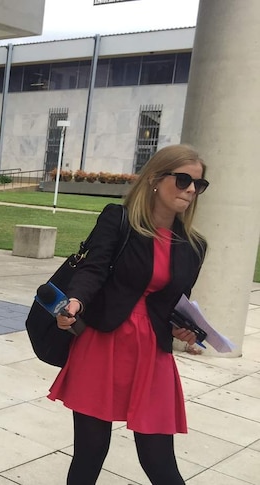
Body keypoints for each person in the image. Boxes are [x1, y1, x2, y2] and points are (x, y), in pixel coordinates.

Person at [48, 144, 209, 485]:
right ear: (154, 179)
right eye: (183, 180)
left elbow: (177, 303)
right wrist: (75, 301)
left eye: (198, 183)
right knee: (90, 453)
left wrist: (185, 328)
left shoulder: (194, 245)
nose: (191, 190)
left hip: (153, 353)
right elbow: (92, 269)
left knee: (160, 461)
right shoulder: (117, 219)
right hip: (103, 343)